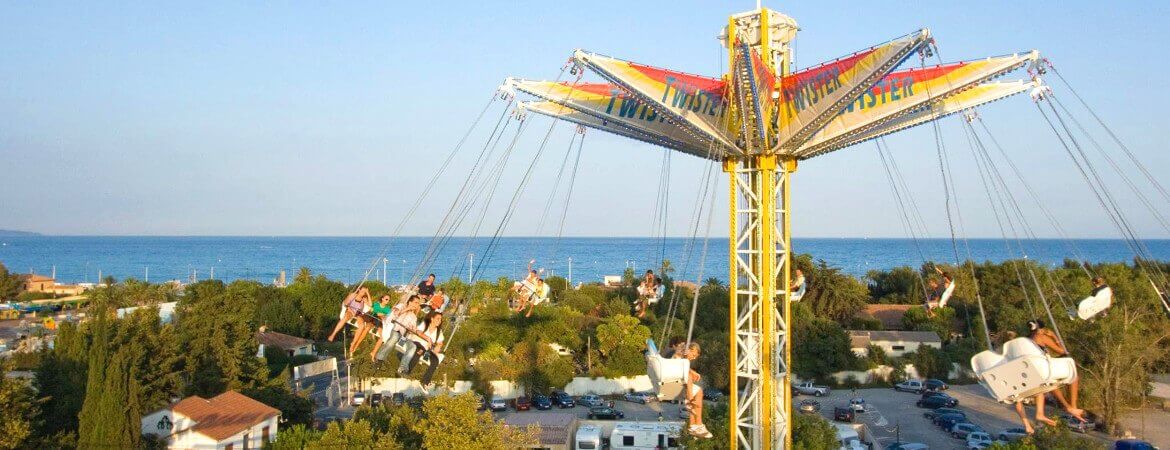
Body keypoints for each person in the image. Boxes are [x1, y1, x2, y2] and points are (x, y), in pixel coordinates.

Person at [1025, 319, 1085, 429]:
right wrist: (1053, 336)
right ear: (1041, 329)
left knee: (1049, 383)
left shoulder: (1026, 340)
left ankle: (1065, 407)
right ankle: (1072, 406)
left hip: (1031, 372)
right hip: (1043, 368)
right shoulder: (1041, 337)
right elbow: (1062, 351)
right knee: (1073, 375)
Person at [399, 311, 446, 386]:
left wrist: (439, 346)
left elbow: (440, 341)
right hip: (418, 344)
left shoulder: (438, 331)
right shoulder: (425, 324)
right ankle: (406, 371)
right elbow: (418, 332)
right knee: (419, 352)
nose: (439, 321)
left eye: (440, 320)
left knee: (435, 361)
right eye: (438, 319)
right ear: (432, 319)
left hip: (427, 349)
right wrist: (427, 338)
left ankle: (425, 382)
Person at [371, 294, 421, 362]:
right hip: (391, 326)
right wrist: (407, 309)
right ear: (410, 302)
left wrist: (411, 330)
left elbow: (413, 328)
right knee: (395, 337)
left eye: (418, 303)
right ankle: (379, 359)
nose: (417, 305)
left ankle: (403, 368)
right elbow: (396, 313)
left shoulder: (413, 316)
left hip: (400, 333)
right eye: (416, 302)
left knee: (412, 346)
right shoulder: (401, 306)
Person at [680, 342, 711, 438]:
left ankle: (694, 425)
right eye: (693, 355)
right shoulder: (682, 356)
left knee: (698, 392)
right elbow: (680, 366)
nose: (693, 358)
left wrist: (692, 372)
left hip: (681, 383)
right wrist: (692, 373)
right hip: (678, 384)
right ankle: (697, 422)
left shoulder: (684, 360)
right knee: (696, 391)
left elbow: (683, 366)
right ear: (690, 349)